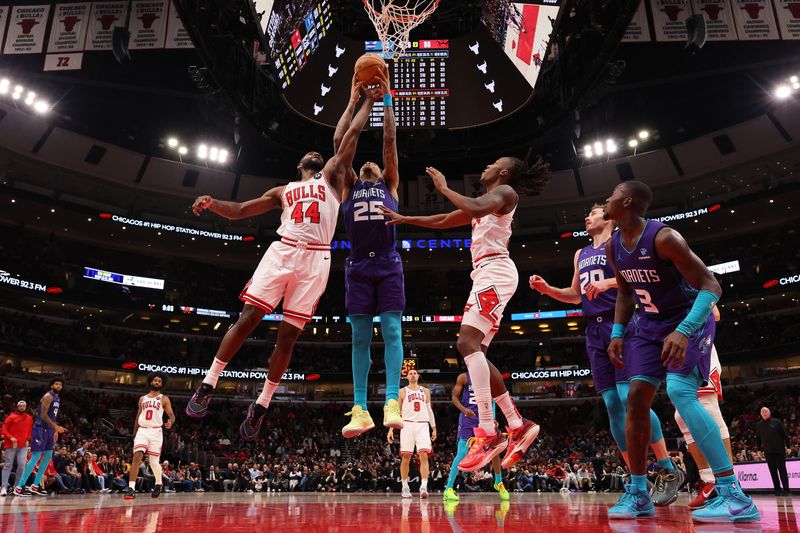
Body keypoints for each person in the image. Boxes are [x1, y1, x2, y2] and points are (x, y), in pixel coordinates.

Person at [186, 81, 381, 440]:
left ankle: (262, 404)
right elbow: (242, 209)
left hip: (316, 260)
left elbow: (349, 136)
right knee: (248, 318)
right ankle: (209, 382)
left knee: (287, 338)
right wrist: (213, 203)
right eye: (308, 154)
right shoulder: (283, 190)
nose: (314, 154)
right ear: (299, 165)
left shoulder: (335, 179)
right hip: (283, 250)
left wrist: (363, 101)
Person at [380, 157, 550, 472]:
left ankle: (488, 430)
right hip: (488, 274)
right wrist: (406, 219)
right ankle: (516, 422)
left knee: (466, 343)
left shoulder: (505, 193)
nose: (486, 166)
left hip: (494, 272)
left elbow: (470, 207)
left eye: (493, 163)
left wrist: (443, 187)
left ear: (503, 172)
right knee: (478, 358)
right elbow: (446, 219)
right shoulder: (486, 204)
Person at [603, 180, 759, 522]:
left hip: (689, 320)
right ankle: (640, 492)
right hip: (649, 326)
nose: (606, 198)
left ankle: (733, 495)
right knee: (636, 399)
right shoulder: (614, 244)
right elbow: (626, 294)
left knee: (680, 392)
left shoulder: (664, 238)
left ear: (627, 201)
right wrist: (617, 332)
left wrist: (684, 330)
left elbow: (711, 285)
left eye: (613, 194)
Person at [530, 203, 683, 505]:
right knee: (612, 403)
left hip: (623, 324)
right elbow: (576, 294)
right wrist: (548, 290)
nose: (587, 216)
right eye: (586, 213)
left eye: (593, 213)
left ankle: (667, 467)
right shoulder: (580, 253)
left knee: (629, 398)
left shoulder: (620, 244)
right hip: (593, 330)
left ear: (608, 218)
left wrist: (609, 282)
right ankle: (638, 479)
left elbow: (639, 276)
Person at [337, 69, 406, 438]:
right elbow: (342, 142)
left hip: (388, 263)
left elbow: (390, 140)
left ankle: (391, 400)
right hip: (358, 266)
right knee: (360, 337)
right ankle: (361, 408)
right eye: (363, 163)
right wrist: (356, 100)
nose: (369, 163)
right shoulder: (348, 185)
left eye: (374, 163)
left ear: (380, 172)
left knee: (392, 330)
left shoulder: (388, 183)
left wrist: (388, 98)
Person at [674, 305, 736, 508]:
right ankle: (709, 480)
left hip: (700, 346)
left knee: (709, 409)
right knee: (680, 416)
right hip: (678, 351)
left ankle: (730, 483)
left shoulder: (691, 279)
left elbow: (715, 314)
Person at [443, 372, 509, 502]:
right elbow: (454, 398)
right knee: (462, 453)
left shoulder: (488, 377)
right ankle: (448, 489)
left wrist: (493, 418)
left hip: (485, 418)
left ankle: (498, 482)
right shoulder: (464, 377)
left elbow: (492, 400)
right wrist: (463, 409)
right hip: (468, 419)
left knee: (494, 450)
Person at [124, 372, 175, 499]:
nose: (157, 382)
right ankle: (131, 488)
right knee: (137, 456)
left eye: (159, 381)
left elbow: (172, 415)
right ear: (151, 382)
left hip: (156, 431)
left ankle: (158, 483)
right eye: (155, 380)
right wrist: (134, 433)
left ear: (162, 384)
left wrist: (171, 422)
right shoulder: (142, 399)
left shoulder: (164, 398)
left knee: (154, 462)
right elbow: (138, 416)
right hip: (143, 430)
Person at [387, 370, 436, 498]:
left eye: (415, 373)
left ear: (418, 376)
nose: (413, 374)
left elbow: (429, 410)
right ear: (407, 377)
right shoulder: (402, 392)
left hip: (422, 425)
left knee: (424, 455)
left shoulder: (425, 391)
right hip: (407, 425)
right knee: (406, 457)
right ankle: (405, 487)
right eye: (410, 373)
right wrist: (391, 429)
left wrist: (434, 428)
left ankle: (424, 487)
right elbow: (396, 412)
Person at [14, 377, 66, 496]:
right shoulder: (48, 396)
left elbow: (53, 416)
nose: (58, 386)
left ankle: (35, 485)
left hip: (49, 429)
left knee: (48, 456)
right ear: (51, 385)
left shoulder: (57, 398)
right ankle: (19, 486)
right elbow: (42, 415)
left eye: (60, 384)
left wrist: (55, 430)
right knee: (36, 456)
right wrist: (56, 427)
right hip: (40, 429)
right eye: (56, 384)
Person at [756, 406, 791, 496]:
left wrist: (788, 447)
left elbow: (785, 435)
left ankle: (786, 490)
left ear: (769, 412)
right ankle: (777, 490)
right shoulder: (759, 425)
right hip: (768, 452)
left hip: (779, 451)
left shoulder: (777, 422)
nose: (764, 413)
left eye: (766, 411)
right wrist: (759, 450)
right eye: (762, 411)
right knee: (773, 472)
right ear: (760, 413)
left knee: (782, 470)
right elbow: (758, 439)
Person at [1, 400, 33, 496]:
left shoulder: (29, 418)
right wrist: (11, 437)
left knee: (22, 465)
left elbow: (30, 430)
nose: (22, 407)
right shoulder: (11, 417)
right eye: (20, 406)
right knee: (8, 465)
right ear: (17, 407)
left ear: (26, 407)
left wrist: (28, 439)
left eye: (23, 406)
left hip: (23, 445)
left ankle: (17, 487)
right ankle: (4, 487)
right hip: (11, 445)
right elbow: (3, 429)